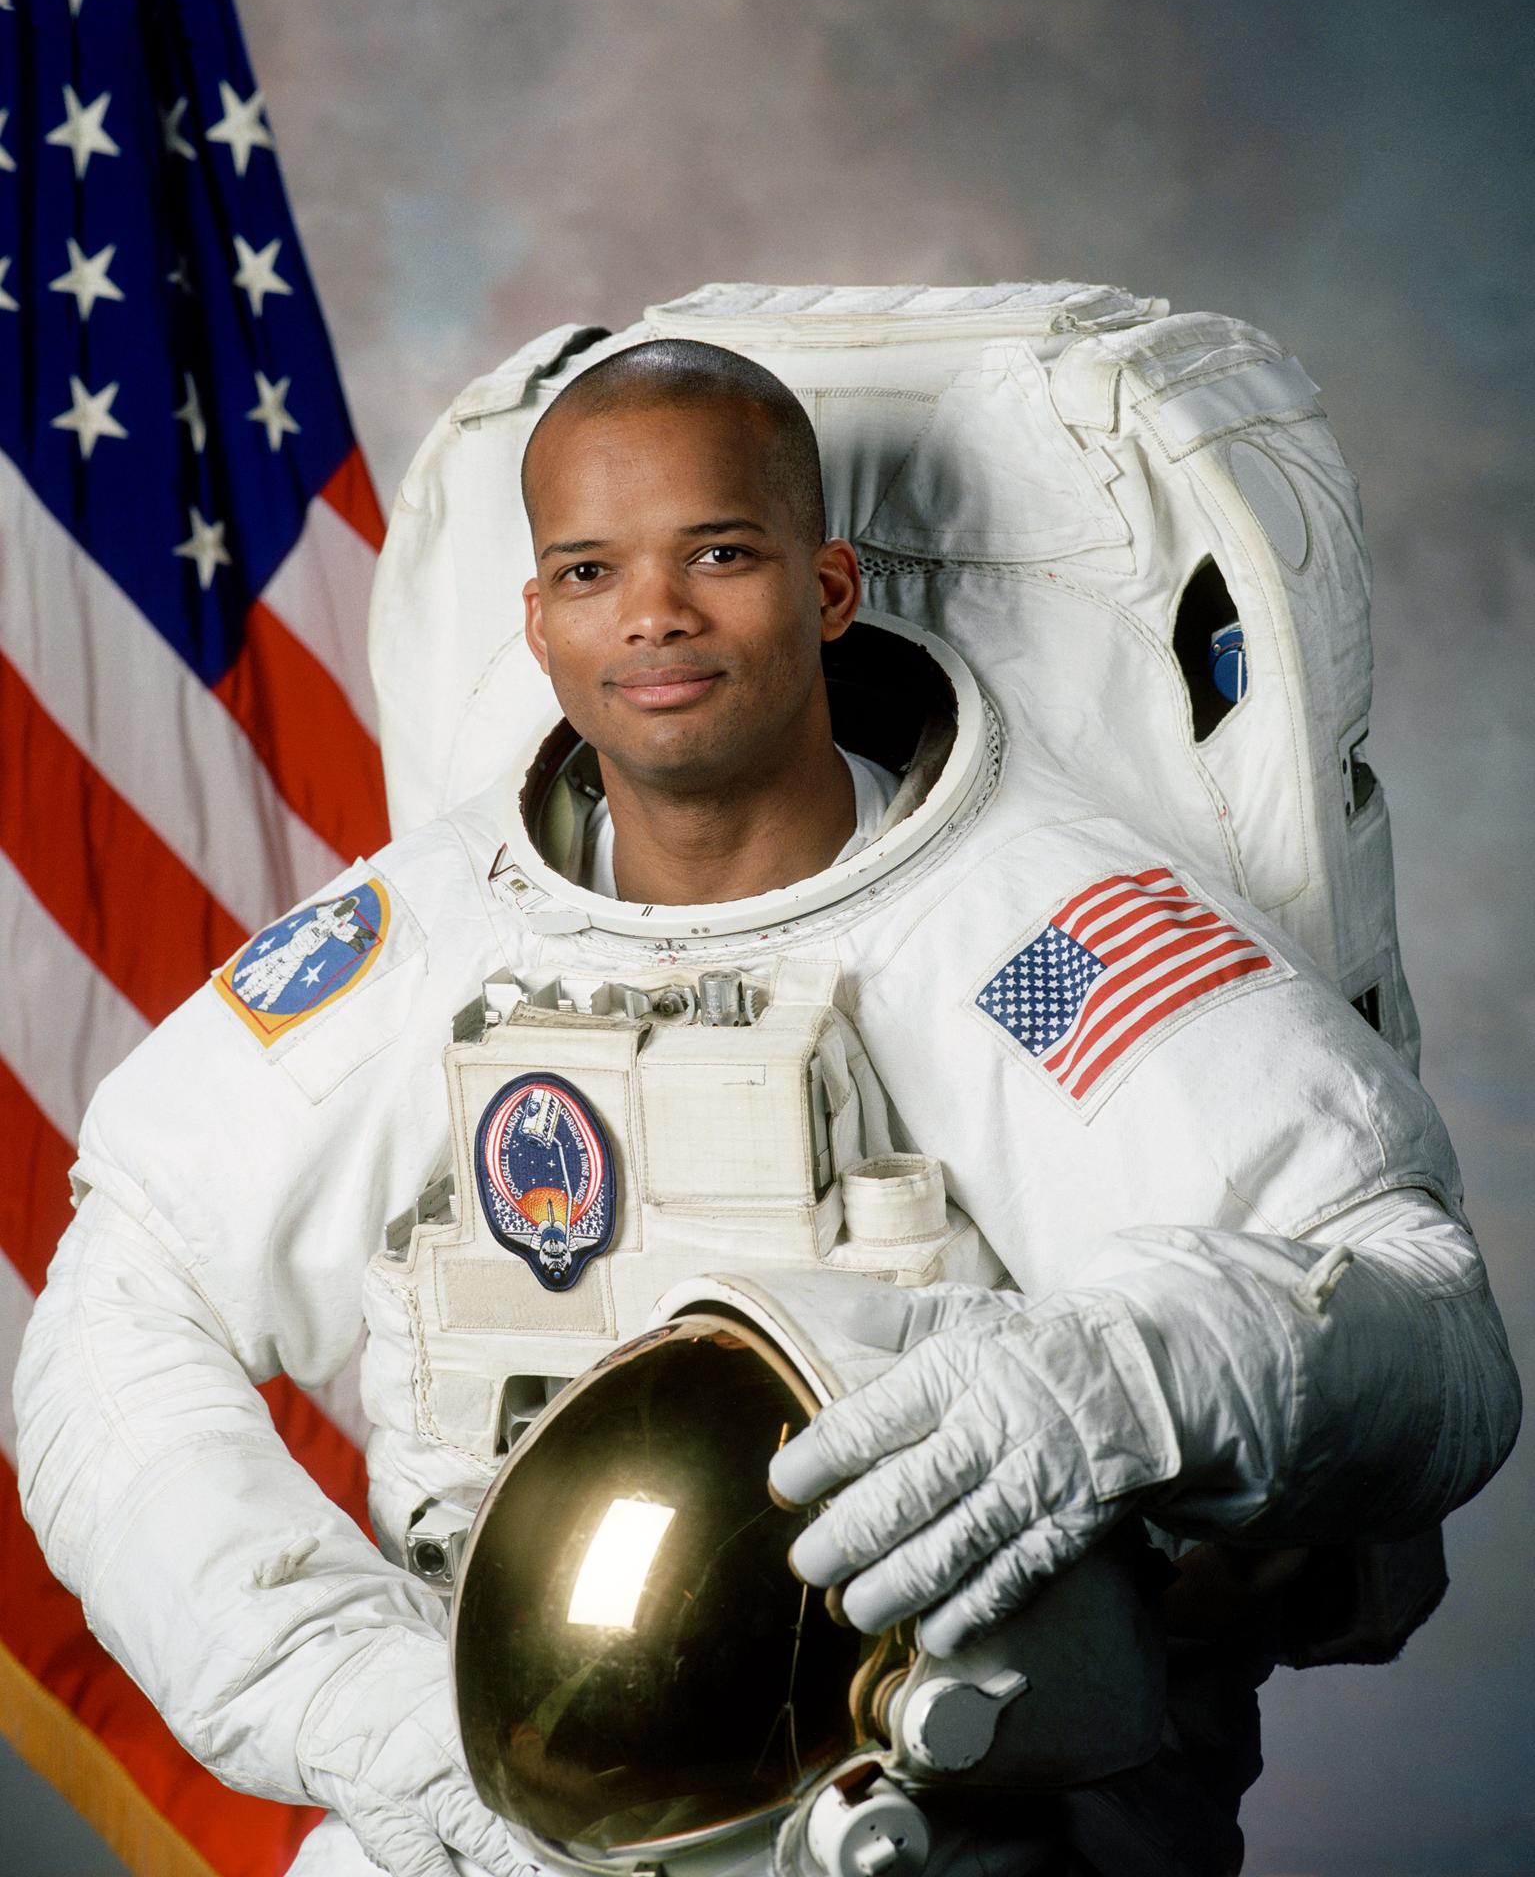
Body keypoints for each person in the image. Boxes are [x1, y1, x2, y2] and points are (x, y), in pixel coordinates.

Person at [14, 338, 1521, 1877]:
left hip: (941, 1828)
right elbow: (116, 1313)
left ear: (829, 588)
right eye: (592, 571)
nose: (654, 615)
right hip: (486, 1831)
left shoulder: (1030, 943)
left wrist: (1121, 1382)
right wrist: (402, 1729)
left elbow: (1434, 1327)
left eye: (719, 554)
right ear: (536, 624)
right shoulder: (428, 940)